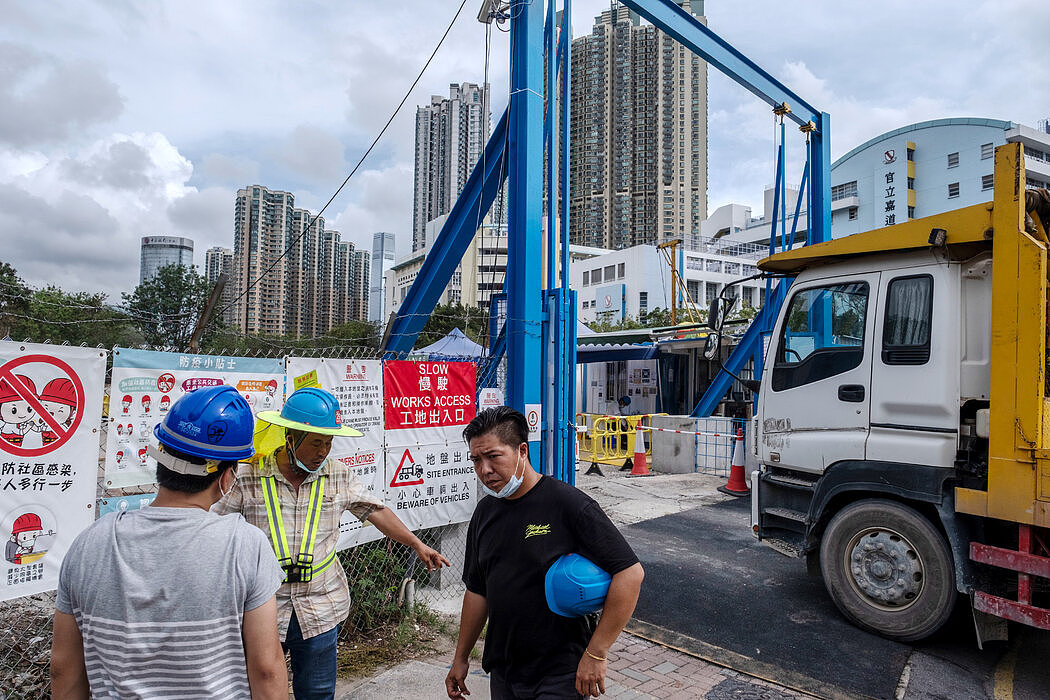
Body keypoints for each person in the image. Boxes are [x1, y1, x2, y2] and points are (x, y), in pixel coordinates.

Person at [51, 385, 287, 699]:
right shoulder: (245, 545)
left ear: (160, 458)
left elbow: (63, 667)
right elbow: (266, 670)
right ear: (228, 477)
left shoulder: (89, 543)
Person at [214, 386, 450, 700]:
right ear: (291, 436)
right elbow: (212, 522)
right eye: (315, 442)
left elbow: (375, 511)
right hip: (263, 610)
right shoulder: (249, 477)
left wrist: (417, 544)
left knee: (318, 693)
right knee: (257, 691)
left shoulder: (338, 476)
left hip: (321, 607)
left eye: (329, 442)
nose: (323, 451)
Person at [445, 406, 645, 700]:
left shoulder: (569, 505)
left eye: (493, 456)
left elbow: (630, 574)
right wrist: (460, 658)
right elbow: (478, 591)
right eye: (476, 460)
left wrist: (597, 653)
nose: (484, 470)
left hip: (560, 673)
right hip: (505, 670)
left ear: (522, 451)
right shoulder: (484, 513)